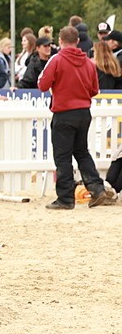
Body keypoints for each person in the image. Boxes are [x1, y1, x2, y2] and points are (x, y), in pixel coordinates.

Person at [38, 26, 116, 209]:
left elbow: (42, 84)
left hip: (64, 112)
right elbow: (94, 90)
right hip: (83, 112)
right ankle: (97, 189)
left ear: (60, 40)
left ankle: (65, 198)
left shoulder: (56, 60)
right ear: (78, 41)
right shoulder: (89, 63)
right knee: (82, 152)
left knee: (63, 156)